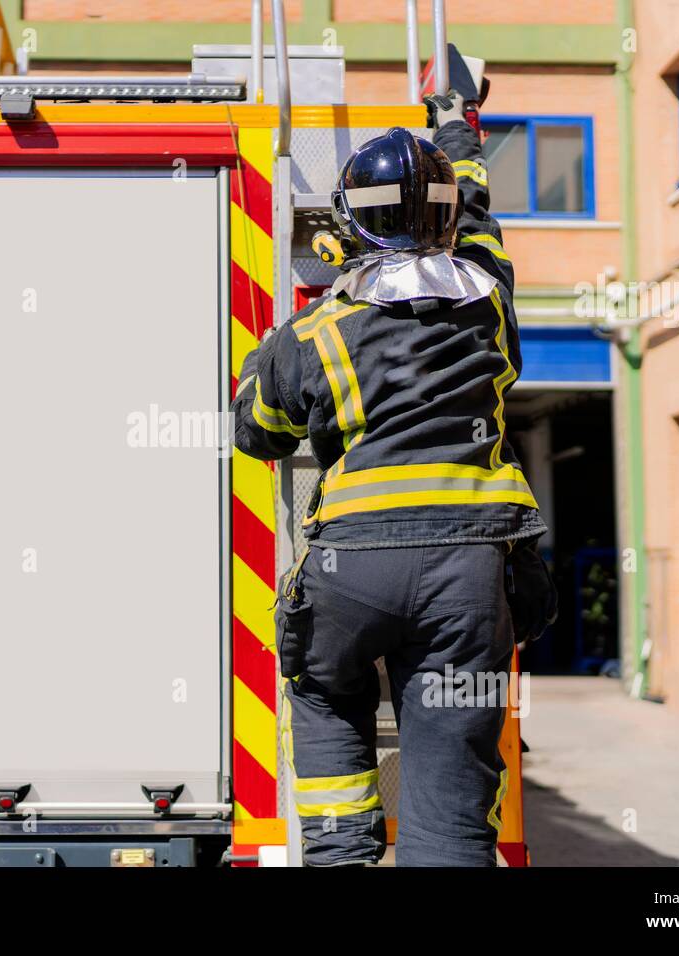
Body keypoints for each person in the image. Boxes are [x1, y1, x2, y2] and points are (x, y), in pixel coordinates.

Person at [230, 101, 556, 867]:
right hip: (471, 580)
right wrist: (458, 140)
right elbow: (478, 228)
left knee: (321, 691)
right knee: (450, 810)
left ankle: (342, 846)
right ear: (447, 226)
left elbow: (256, 435)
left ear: (347, 224)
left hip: (352, 573)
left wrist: (258, 368)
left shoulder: (313, 335)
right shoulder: (490, 307)